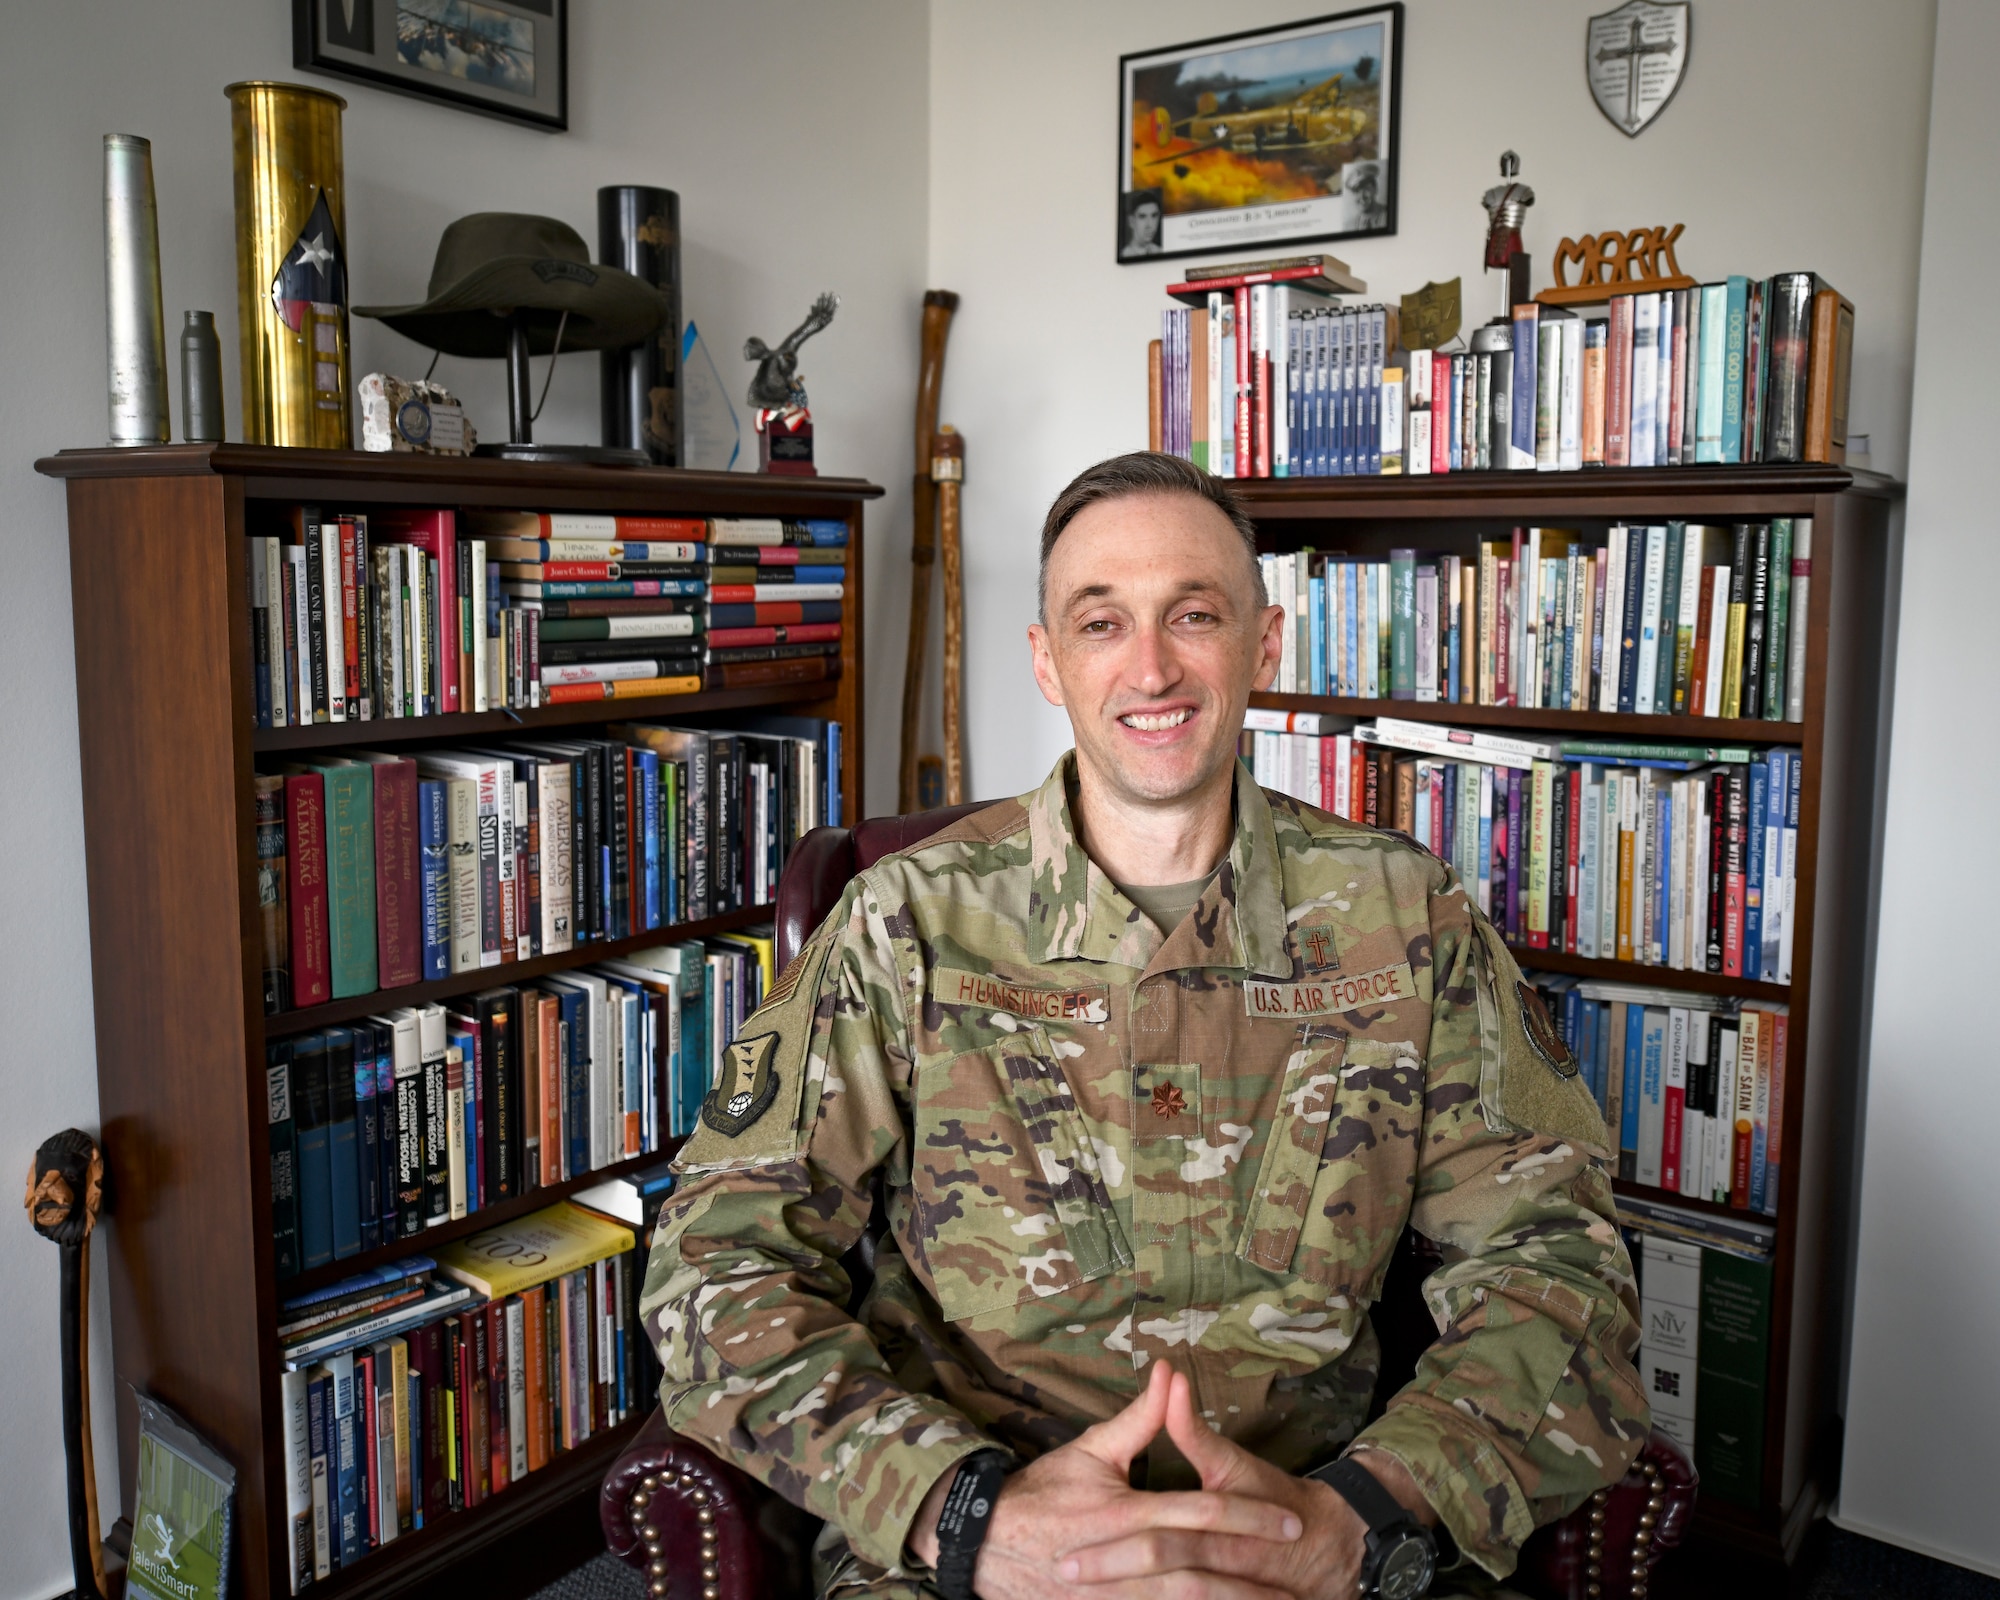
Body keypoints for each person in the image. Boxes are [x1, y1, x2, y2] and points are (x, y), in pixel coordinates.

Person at [640, 451, 1649, 1600]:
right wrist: (957, 1510)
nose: (1152, 665)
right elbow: (719, 1256)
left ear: (1262, 644)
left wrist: (1360, 1512)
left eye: (1194, 614)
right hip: (971, 1559)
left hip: (1316, 1537)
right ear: (1046, 661)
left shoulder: (1405, 917)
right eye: (1101, 621)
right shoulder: (904, 924)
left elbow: (1560, 1257)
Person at [1122, 191, 1164, 257]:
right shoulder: (1124, 254)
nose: (1149, 225)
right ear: (1131, 221)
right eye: (1142, 217)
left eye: (1154, 216)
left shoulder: (1160, 251)